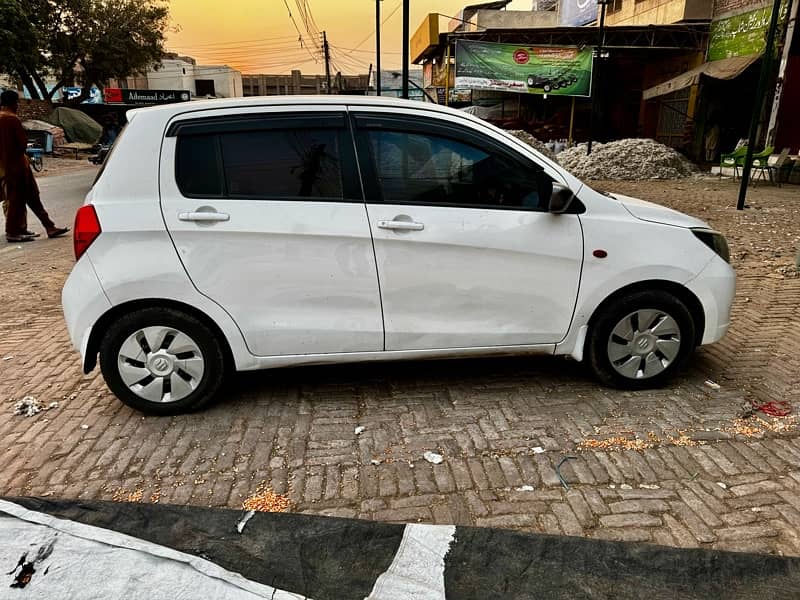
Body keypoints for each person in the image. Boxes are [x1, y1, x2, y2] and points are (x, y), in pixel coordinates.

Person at [0, 90, 68, 242]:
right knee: (18, 200)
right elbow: (22, 143)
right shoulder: (12, 119)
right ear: (14, 103)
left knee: (31, 197)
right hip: (18, 166)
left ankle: (49, 226)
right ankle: (13, 231)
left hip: (7, 167)